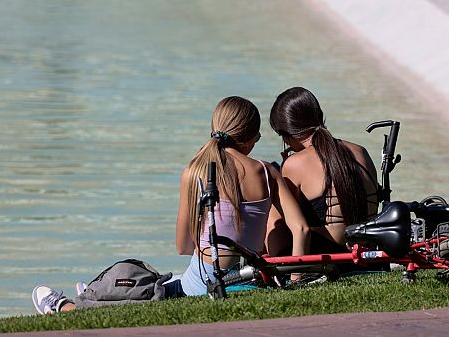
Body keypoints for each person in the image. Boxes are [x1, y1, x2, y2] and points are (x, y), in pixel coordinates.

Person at [31, 96, 309, 314]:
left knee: (144, 284)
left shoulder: (195, 171)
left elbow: (183, 247)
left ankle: (69, 305)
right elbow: (301, 229)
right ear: (250, 140)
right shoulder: (267, 172)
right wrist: (296, 283)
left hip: (204, 281)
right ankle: (96, 291)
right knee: (160, 283)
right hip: (252, 280)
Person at [265, 87, 378, 256]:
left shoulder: (294, 164)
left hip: (323, 254)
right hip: (364, 249)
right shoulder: (361, 151)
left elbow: (293, 222)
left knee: (274, 202)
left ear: (287, 133)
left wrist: (281, 176)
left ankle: (277, 274)